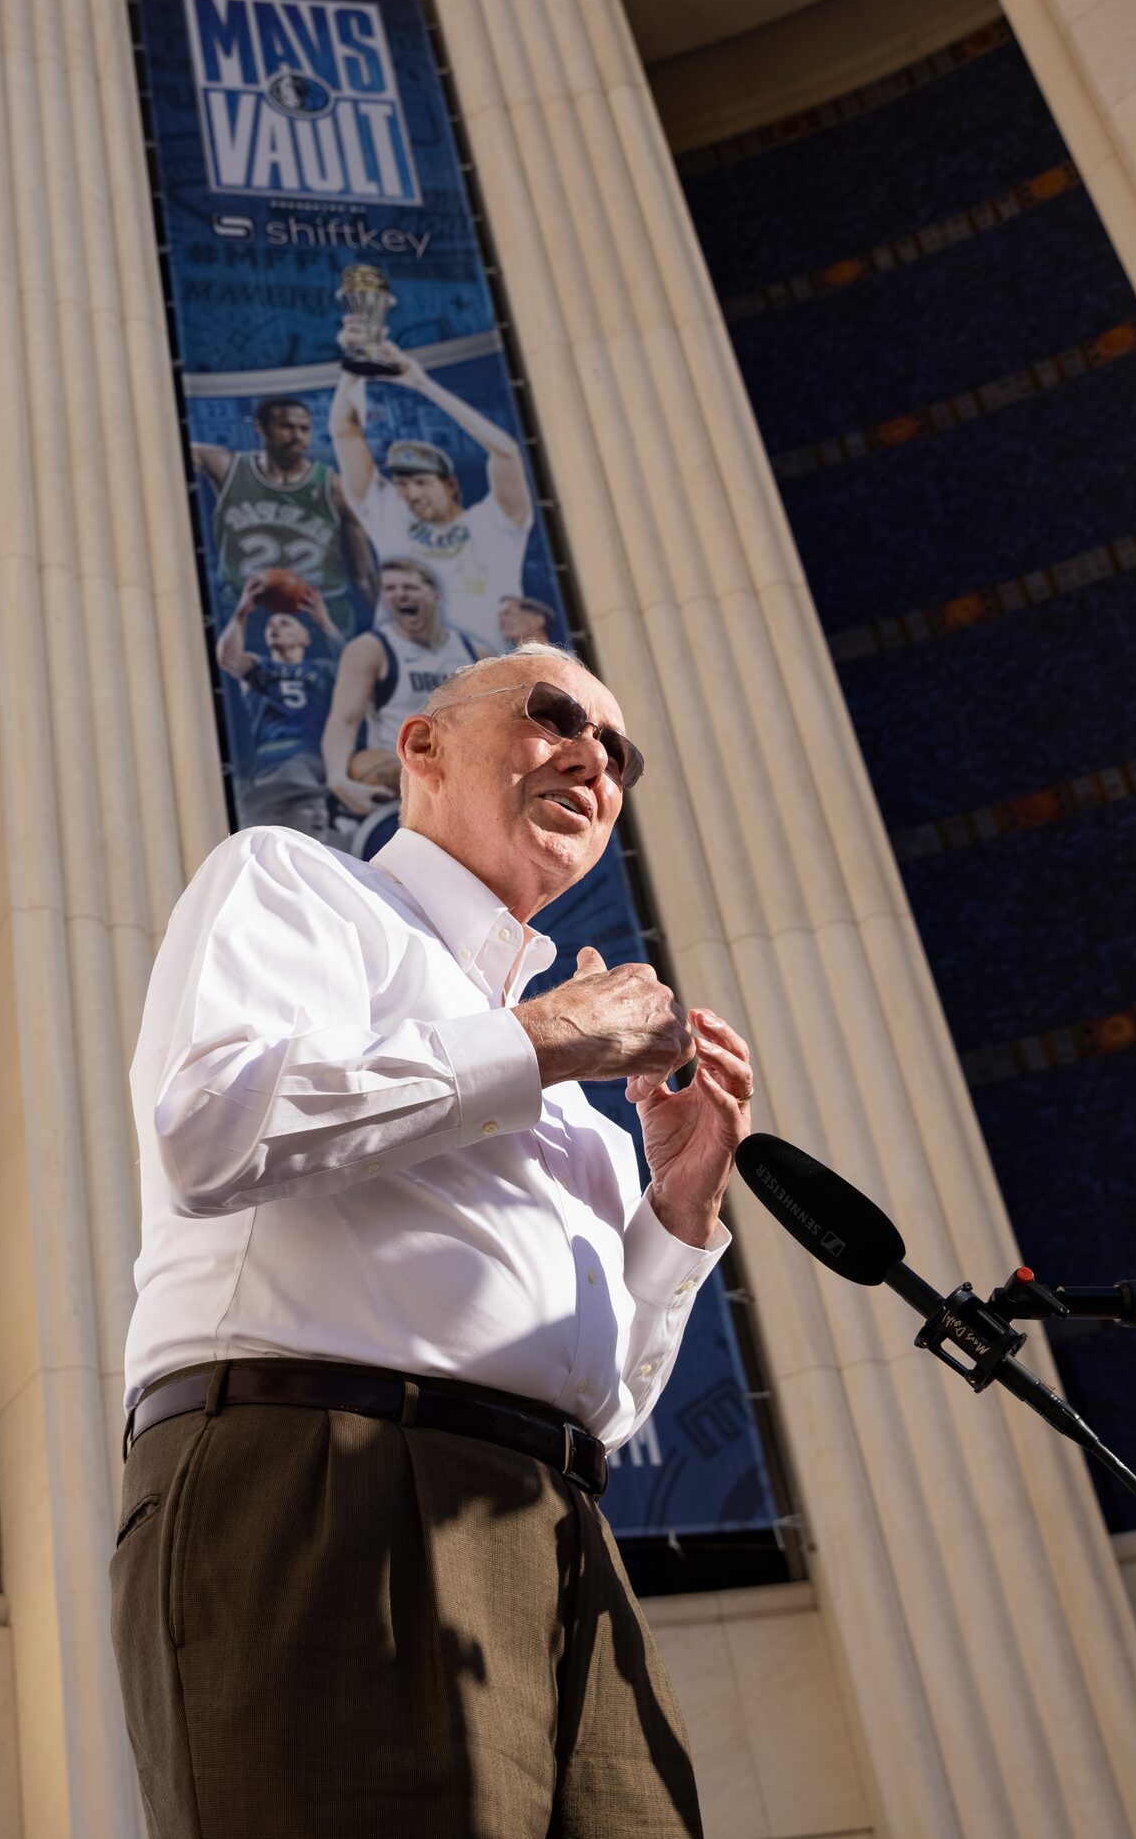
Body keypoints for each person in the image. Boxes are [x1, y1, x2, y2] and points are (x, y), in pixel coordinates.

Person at [113, 644, 754, 1838]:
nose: (591, 759)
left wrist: (676, 1211)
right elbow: (208, 1133)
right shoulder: (295, 885)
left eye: (618, 754)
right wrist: (537, 1044)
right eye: (553, 716)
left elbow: (602, 1406)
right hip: (331, 1480)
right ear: (421, 746)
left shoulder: (575, 1106)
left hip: (556, 1517)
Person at [328, 344, 534, 656]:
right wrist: (353, 368)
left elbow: (506, 452)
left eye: (421, 482)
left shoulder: (494, 523)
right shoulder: (389, 515)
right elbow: (344, 432)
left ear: (451, 484)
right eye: (402, 484)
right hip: (408, 683)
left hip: (491, 677)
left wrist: (421, 383)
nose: (410, 493)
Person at [193, 395, 378, 640]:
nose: (297, 436)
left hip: (320, 613)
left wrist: (389, 630)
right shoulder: (230, 468)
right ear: (261, 428)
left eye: (304, 429)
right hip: (249, 611)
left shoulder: (335, 489)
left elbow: (363, 574)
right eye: (287, 427)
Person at [321, 556, 486, 821]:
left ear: (434, 595)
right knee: (367, 765)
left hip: (463, 774)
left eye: (408, 587)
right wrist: (337, 779)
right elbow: (344, 719)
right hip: (401, 775)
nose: (399, 594)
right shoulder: (369, 648)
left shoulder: (476, 653)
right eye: (390, 589)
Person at [216, 574, 343, 844]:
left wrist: (325, 622)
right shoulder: (258, 666)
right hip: (279, 757)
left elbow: (357, 669)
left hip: (320, 756)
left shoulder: (321, 668)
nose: (274, 626)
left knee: (320, 825)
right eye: (270, 624)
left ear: (305, 637)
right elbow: (228, 659)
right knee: (295, 828)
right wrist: (243, 612)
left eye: (284, 623)